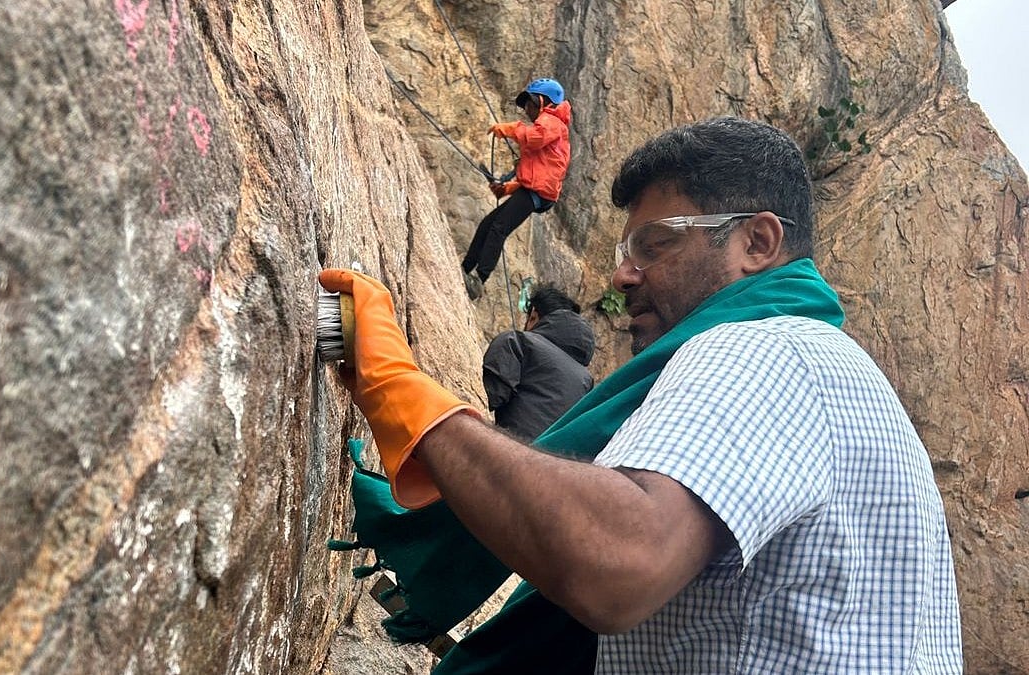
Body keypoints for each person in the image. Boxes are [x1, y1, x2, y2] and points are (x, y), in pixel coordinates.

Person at [319, 116, 962, 672]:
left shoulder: (764, 347)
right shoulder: (830, 368)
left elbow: (617, 563)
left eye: (656, 243)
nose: (623, 273)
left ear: (757, 243)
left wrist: (405, 396)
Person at [461, 78, 573, 300]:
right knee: (488, 224)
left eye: (530, 104)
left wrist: (510, 129)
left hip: (537, 194)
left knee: (498, 228)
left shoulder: (552, 123)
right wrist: (510, 187)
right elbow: (537, 171)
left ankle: (478, 280)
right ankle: (465, 269)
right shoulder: (549, 125)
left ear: (543, 102)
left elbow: (534, 138)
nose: (527, 110)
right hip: (532, 191)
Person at [483, 284, 594, 441]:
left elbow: (488, 395)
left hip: (509, 453)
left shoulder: (517, 341)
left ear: (534, 315)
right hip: (555, 462)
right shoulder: (586, 380)